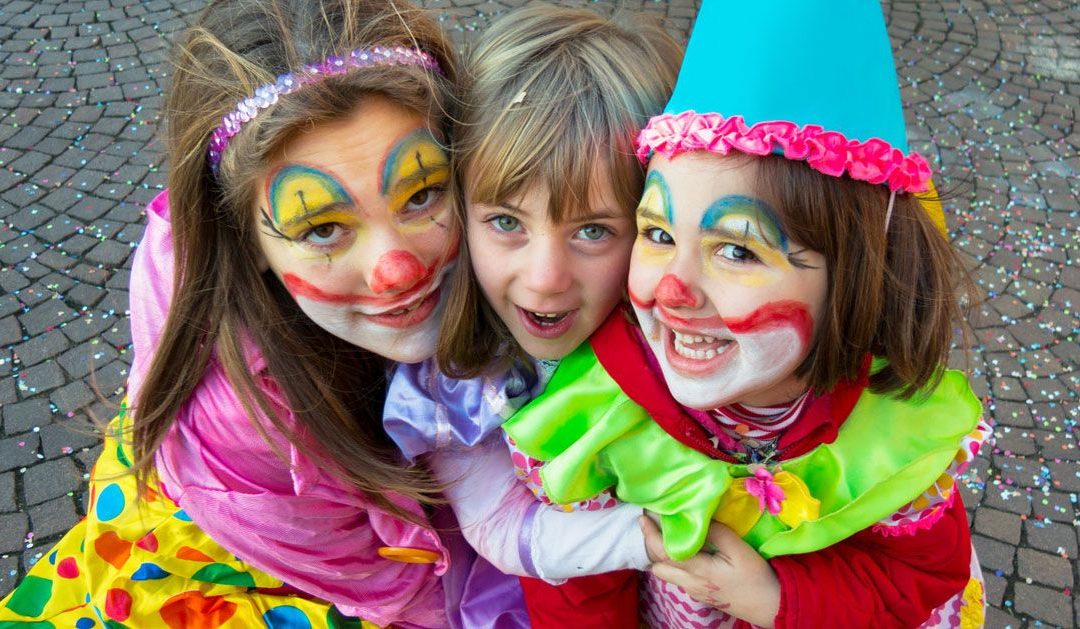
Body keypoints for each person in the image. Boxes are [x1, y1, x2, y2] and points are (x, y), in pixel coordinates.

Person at [0, 1, 527, 627]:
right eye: (324, 227)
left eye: (422, 193)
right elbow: (404, 597)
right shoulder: (247, 427)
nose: (398, 270)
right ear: (245, 244)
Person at [501, 0, 992, 626]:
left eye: (735, 248)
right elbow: (577, 584)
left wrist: (781, 601)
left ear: (856, 276)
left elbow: (917, 577)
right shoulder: (597, 412)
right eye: (655, 234)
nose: (671, 291)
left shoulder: (892, 436)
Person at [382, 4, 682, 627]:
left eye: (594, 230)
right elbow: (497, 524)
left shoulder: (691, 338)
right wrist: (651, 539)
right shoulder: (455, 385)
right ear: (459, 207)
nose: (545, 277)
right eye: (506, 222)